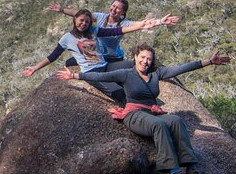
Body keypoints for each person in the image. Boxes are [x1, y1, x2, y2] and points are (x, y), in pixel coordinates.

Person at [56, 44, 231, 174]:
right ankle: (172, 172)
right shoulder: (126, 74)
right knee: (159, 126)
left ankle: (190, 166)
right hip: (134, 115)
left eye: (149, 58)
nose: (145, 61)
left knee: (176, 121)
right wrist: (75, 75)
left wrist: (208, 62)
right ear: (135, 57)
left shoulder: (156, 74)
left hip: (151, 112)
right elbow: (101, 76)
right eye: (142, 57)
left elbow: (180, 68)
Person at [21, 9, 175, 103]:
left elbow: (117, 31)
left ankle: (150, 85)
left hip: (107, 66)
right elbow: (52, 56)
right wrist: (35, 68)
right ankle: (141, 106)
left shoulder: (94, 31)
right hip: (91, 73)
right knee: (118, 92)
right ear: (75, 20)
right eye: (81, 20)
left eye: (87, 21)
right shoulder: (67, 38)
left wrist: (149, 24)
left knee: (132, 65)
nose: (84, 24)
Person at [48, 0, 179, 64]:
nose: (113, 9)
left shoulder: (124, 24)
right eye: (113, 6)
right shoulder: (100, 17)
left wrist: (160, 21)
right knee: (69, 63)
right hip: (97, 56)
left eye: (118, 8)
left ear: (123, 12)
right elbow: (81, 14)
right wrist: (62, 10)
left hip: (112, 58)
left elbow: (143, 24)